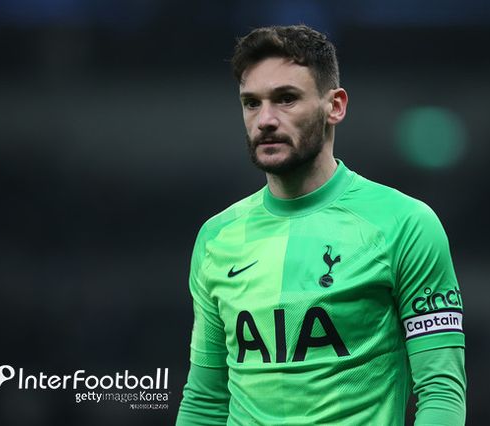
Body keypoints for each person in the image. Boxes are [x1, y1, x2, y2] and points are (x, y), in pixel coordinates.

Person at [176, 24, 466, 425]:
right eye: (251, 103)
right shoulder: (216, 238)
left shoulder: (406, 225)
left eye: (286, 99)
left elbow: (441, 392)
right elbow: (205, 401)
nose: (265, 119)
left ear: (335, 106)